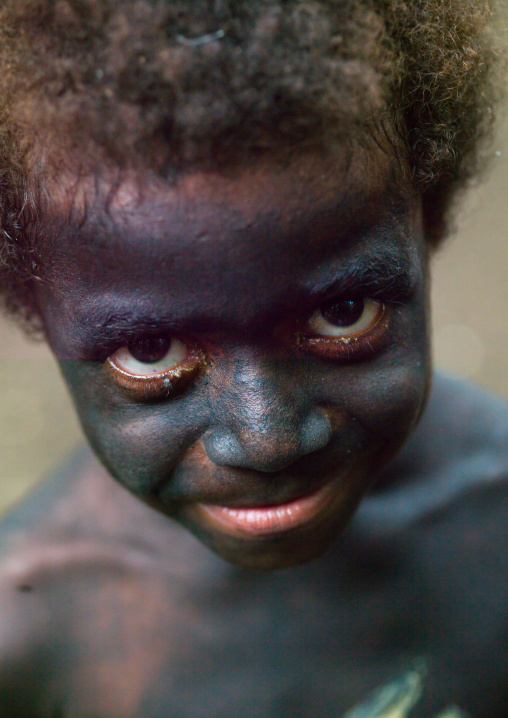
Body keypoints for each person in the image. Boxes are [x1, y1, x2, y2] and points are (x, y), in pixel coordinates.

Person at [0, 1, 505, 716]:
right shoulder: (29, 643)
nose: (268, 439)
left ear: (426, 220)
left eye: (342, 314)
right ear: (34, 307)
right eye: (152, 351)